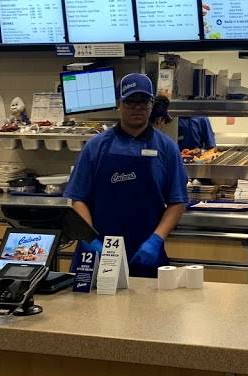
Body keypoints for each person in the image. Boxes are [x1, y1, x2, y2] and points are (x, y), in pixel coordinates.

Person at [65, 73, 188, 277]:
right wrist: (89, 239)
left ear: (151, 104)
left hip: (145, 253)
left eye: (143, 101)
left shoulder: (167, 148)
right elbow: (78, 199)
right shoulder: (95, 147)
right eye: (130, 101)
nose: (137, 108)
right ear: (119, 104)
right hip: (98, 253)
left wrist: (156, 240)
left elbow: (177, 201)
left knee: (146, 299)